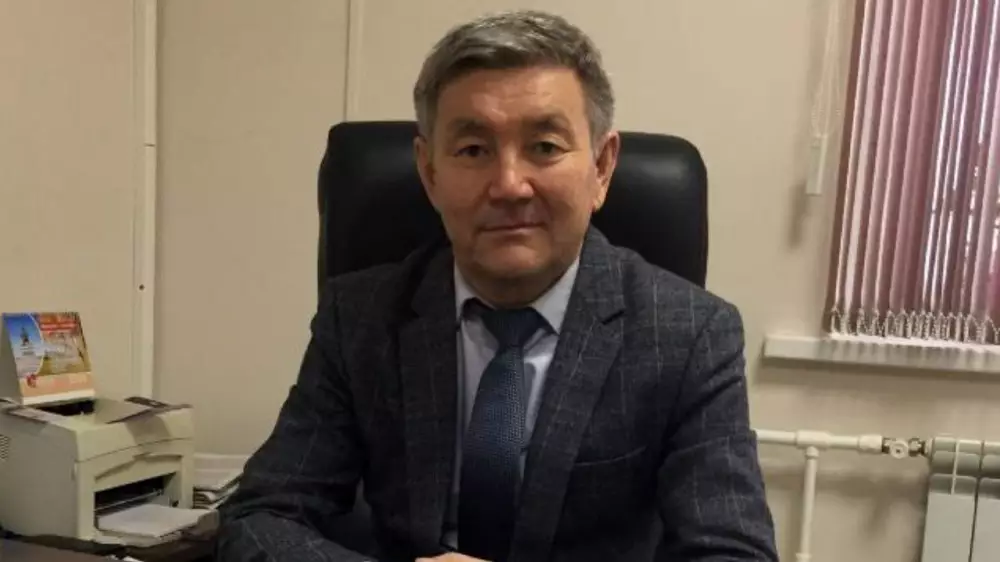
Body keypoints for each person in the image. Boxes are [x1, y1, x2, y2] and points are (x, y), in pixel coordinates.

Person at [217, 9, 777, 562]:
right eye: (473, 151)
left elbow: (734, 553)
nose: (509, 185)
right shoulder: (361, 317)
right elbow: (260, 517)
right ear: (429, 173)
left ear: (602, 167)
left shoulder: (689, 334)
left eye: (545, 147)